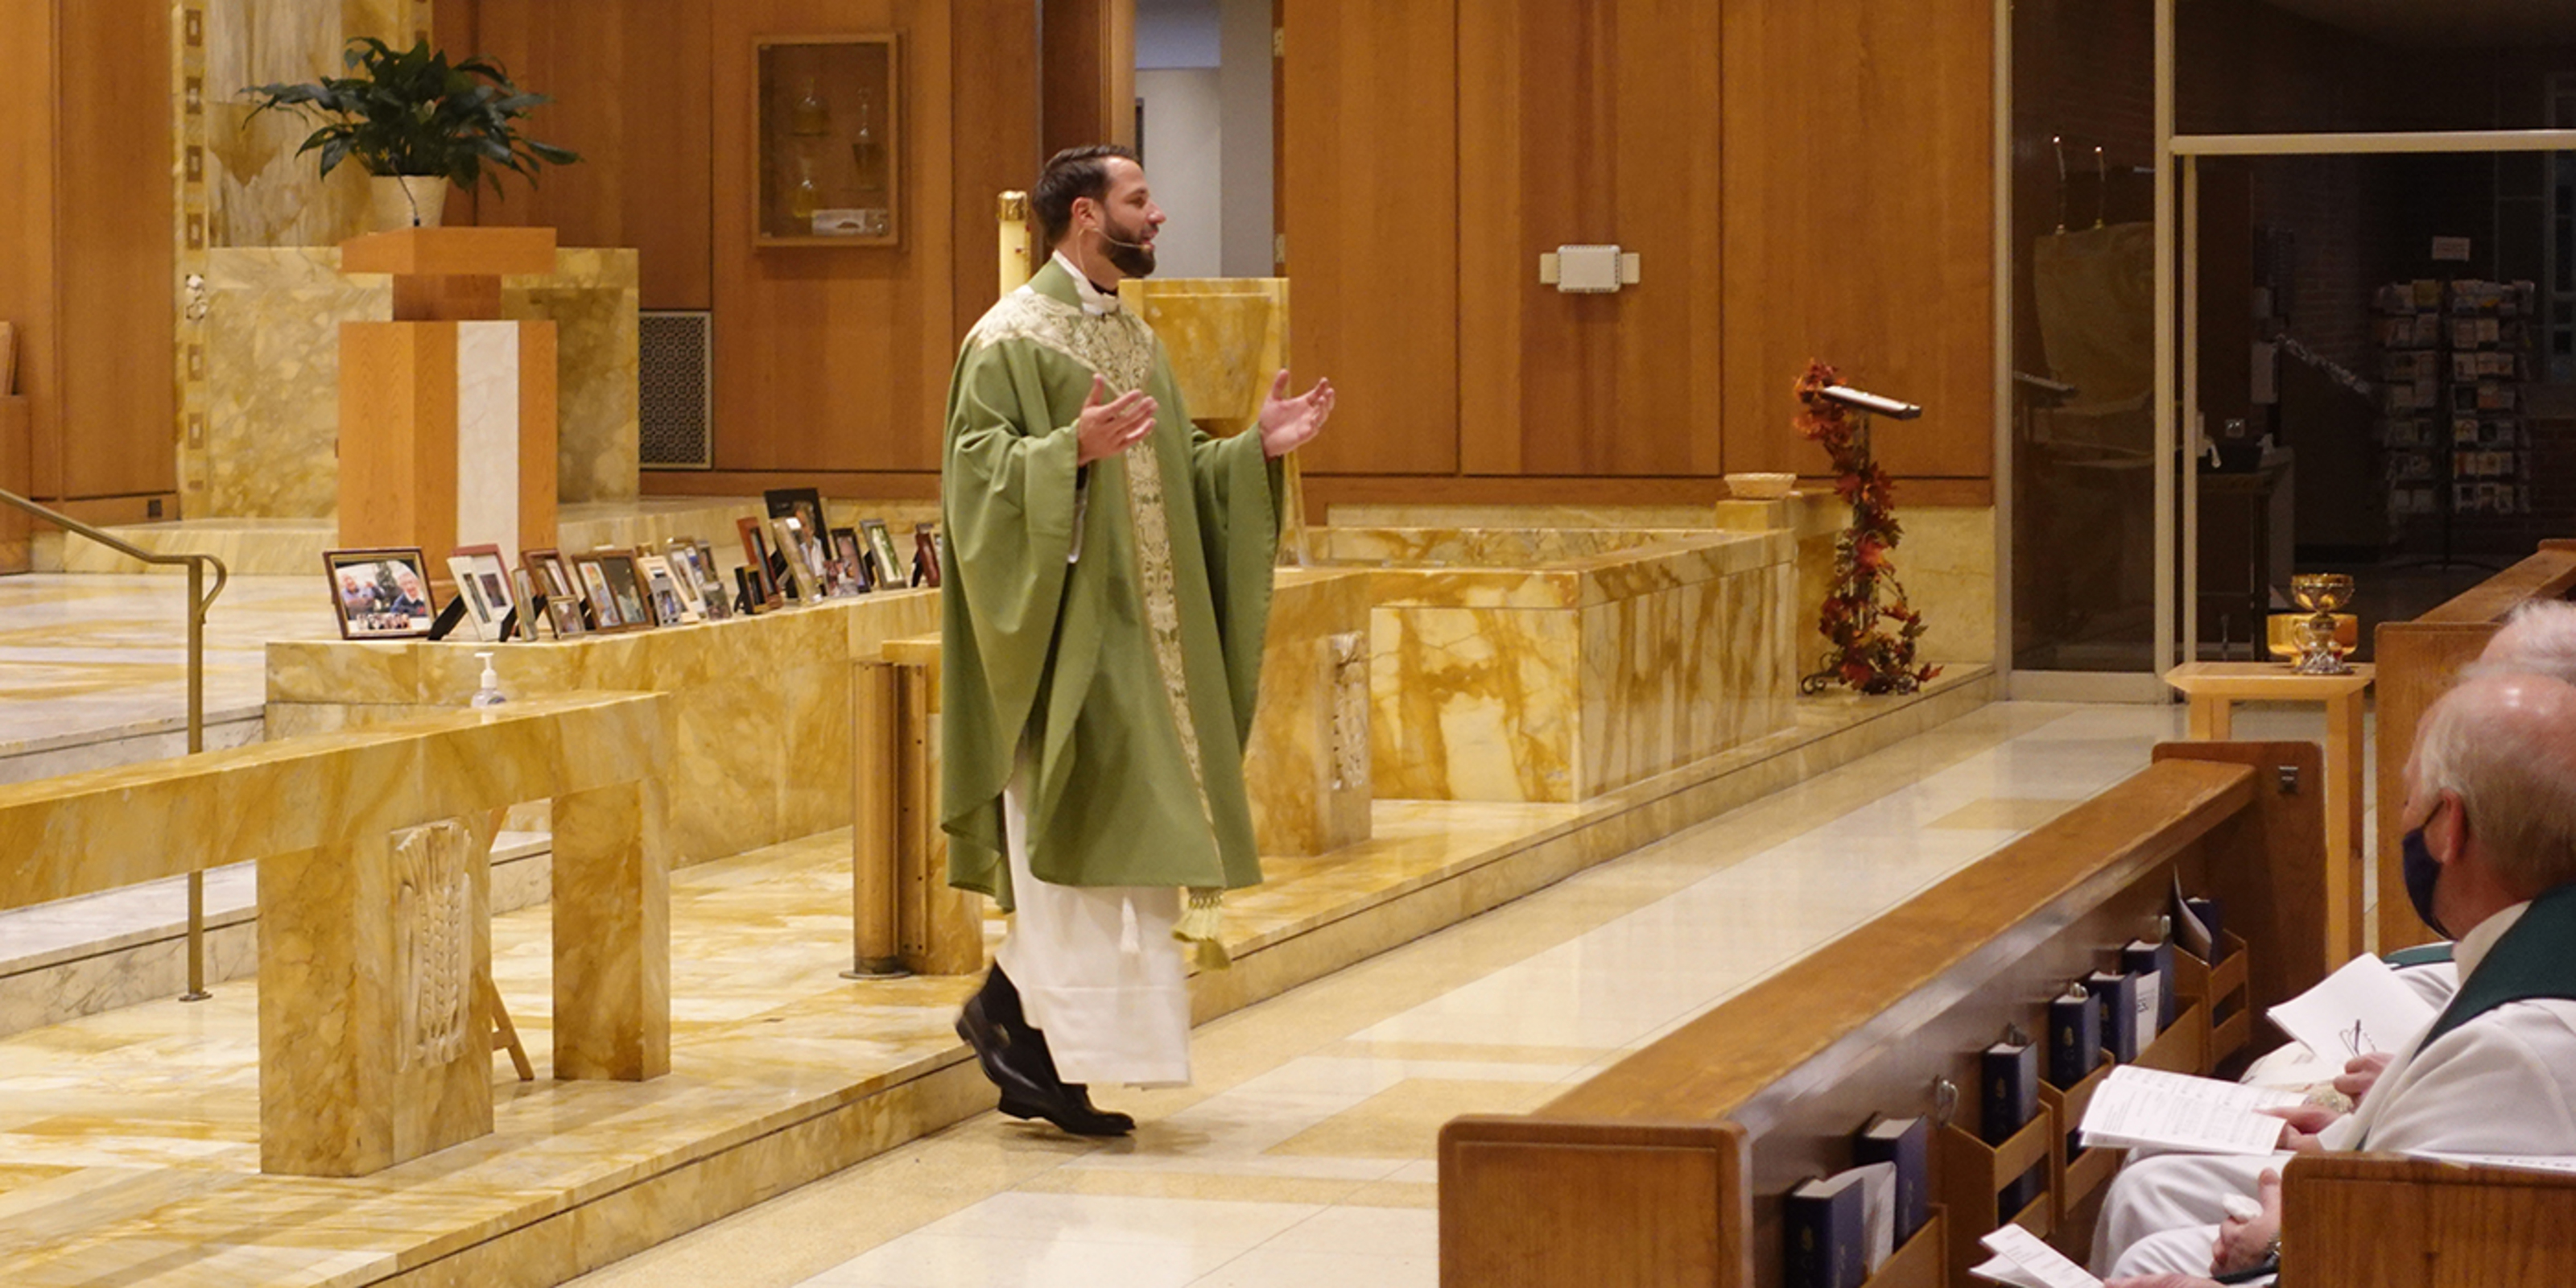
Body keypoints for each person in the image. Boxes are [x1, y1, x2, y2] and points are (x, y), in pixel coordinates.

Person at [937, 144, 1336, 1137]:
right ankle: (1031, 1036)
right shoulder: (1007, 338)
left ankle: (1019, 1021)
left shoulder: (1131, 335)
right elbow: (973, 480)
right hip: (1066, 640)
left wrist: (1251, 451)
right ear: (1084, 215)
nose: (1157, 216)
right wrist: (1064, 453)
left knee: (1135, 850)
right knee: (1072, 845)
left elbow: (1174, 469)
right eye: (1139, 199)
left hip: (1148, 645)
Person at [2095, 673, 2576, 1281]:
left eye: (2409, 801)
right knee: (2155, 1193)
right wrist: (2363, 1126)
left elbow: (2379, 1261)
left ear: (2450, 828)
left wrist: (2270, 1248)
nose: (2403, 822)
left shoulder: (2509, 1049)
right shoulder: (2542, 956)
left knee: (2150, 1248)